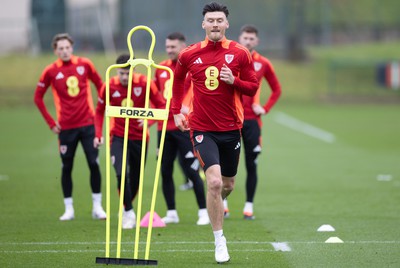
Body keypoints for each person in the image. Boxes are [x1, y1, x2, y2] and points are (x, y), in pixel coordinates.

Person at [171, 2, 259, 263]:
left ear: (227, 24)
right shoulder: (189, 54)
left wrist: (235, 81)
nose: (215, 24)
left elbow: (252, 88)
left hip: (231, 129)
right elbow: (177, 80)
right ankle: (219, 241)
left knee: (227, 185)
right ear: (203, 24)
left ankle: (215, 203)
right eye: (211, 20)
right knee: (214, 182)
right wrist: (177, 111)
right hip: (201, 128)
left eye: (219, 20)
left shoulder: (240, 53)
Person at [34, 33, 106, 221]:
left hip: (88, 125)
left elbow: (101, 86)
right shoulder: (50, 71)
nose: (64, 51)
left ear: (72, 48)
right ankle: (69, 209)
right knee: (67, 167)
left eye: (67, 47)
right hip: (66, 128)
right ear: (55, 51)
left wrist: (100, 111)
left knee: (93, 163)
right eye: (61, 48)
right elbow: (38, 97)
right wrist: (51, 122)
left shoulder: (85, 64)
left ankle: (97, 207)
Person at [94, 54, 165, 229]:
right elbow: (98, 111)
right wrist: (98, 134)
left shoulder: (145, 82)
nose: (124, 77)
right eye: (121, 74)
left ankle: (126, 206)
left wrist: (149, 121)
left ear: (133, 71)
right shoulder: (108, 86)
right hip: (117, 136)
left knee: (135, 179)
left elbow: (162, 106)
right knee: (120, 173)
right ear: (117, 71)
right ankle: (129, 212)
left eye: (127, 73)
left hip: (140, 138)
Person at [224, 25, 282, 220]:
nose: (247, 41)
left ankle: (248, 206)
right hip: (231, 118)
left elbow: (276, 89)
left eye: (251, 39)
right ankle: (223, 203)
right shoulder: (229, 59)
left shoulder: (263, 63)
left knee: (251, 164)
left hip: (251, 121)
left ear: (256, 41)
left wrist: (264, 109)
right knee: (226, 163)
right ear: (239, 38)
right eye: (245, 38)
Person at [154, 32, 209, 226]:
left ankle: (203, 211)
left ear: (182, 47)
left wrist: (188, 109)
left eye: (173, 47)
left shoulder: (191, 66)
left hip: (185, 127)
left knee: (192, 170)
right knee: (165, 170)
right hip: (164, 128)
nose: (169, 50)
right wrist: (150, 118)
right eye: (167, 47)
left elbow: (198, 91)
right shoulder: (160, 68)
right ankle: (171, 212)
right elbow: (155, 96)